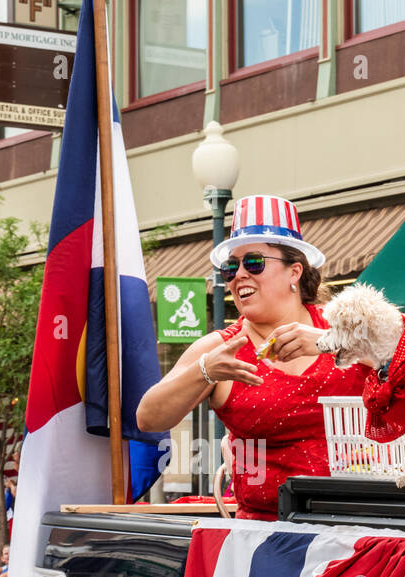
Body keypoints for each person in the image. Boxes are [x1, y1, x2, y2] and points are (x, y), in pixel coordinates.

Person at [136, 195, 370, 520]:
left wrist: (331, 342)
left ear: (295, 271)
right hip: (267, 536)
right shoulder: (219, 349)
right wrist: (205, 371)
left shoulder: (347, 326)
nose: (239, 275)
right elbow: (148, 418)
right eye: (230, 267)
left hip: (364, 525)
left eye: (254, 262)